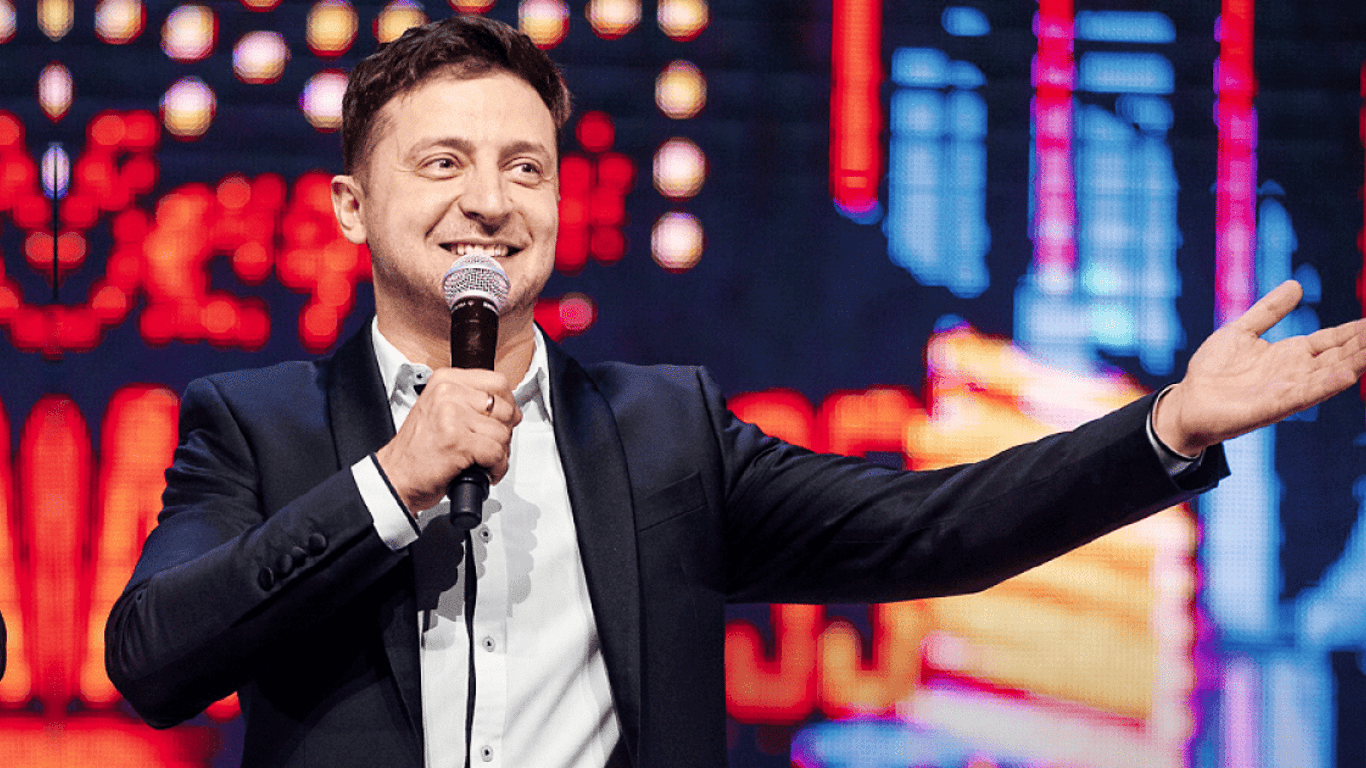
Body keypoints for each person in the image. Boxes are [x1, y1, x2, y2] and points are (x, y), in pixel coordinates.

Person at [104, 14, 1366, 768]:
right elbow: (154, 659)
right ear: (349, 205)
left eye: (525, 168)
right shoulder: (253, 423)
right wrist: (390, 485)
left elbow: (932, 529)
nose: (488, 200)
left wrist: (1164, 430)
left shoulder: (662, 431)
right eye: (443, 163)